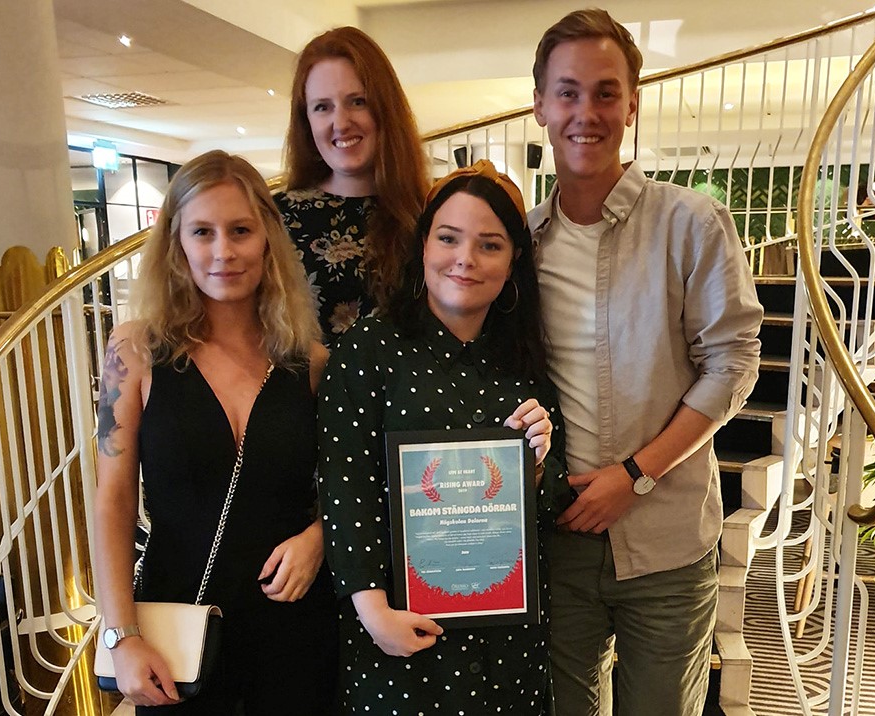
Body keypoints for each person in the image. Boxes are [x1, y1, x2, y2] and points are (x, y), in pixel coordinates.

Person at [529, 9, 764, 716]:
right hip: (556, 539)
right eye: (567, 92)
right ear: (539, 103)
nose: (586, 112)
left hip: (665, 538)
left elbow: (733, 364)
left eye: (606, 92)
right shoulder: (519, 244)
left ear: (632, 103)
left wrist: (633, 476)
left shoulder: (690, 222)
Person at [318, 160, 574, 713]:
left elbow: (552, 496)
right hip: (400, 626)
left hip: (507, 638)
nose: (465, 259)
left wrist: (532, 468)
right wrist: (372, 611)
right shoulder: (371, 348)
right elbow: (345, 486)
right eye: (449, 238)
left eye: (489, 245)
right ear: (423, 246)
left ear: (513, 264)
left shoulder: (522, 357)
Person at [93, 150, 337, 714]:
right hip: (175, 626)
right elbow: (113, 499)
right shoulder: (134, 352)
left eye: (241, 230)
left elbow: (354, 484)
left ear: (268, 240)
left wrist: (319, 537)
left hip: (296, 626)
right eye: (202, 231)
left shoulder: (313, 363)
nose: (223, 251)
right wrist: (120, 634)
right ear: (176, 244)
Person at [278, 26, 430, 341]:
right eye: (322, 107)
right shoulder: (274, 220)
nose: (341, 123)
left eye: (357, 101)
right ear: (306, 121)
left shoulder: (430, 216)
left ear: (385, 109)